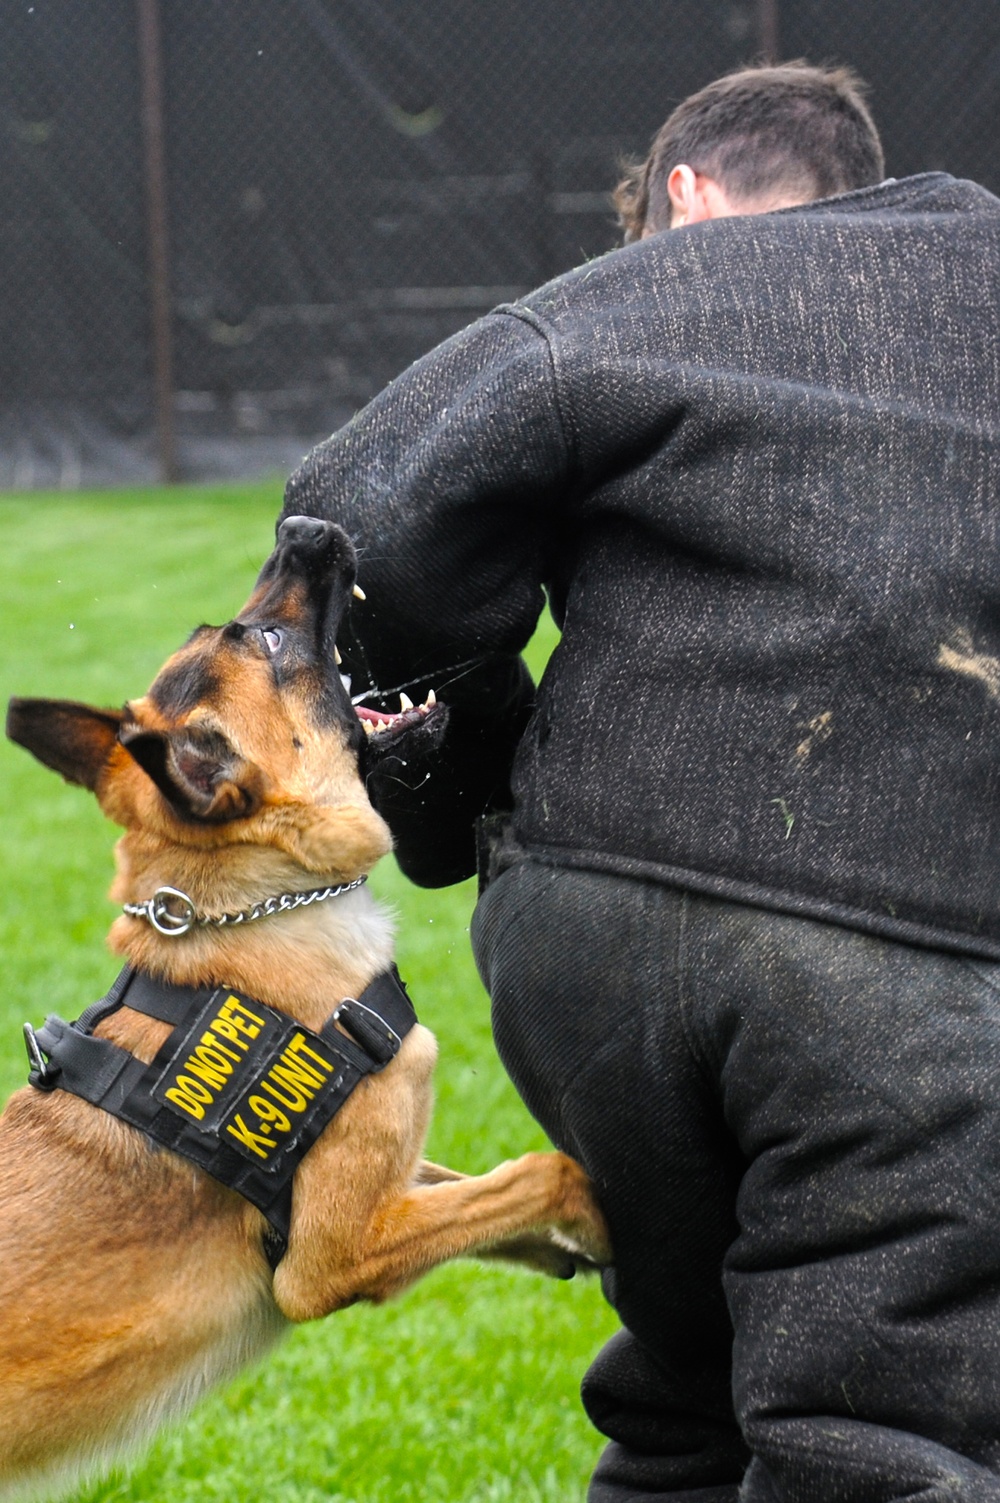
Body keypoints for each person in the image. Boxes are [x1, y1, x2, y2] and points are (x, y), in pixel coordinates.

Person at [280, 61, 1000, 1502]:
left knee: (687, 1402)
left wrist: (476, 778)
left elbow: (350, 512)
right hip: (901, 953)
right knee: (879, 1437)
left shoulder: (642, 296)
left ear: (683, 197)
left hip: (586, 942)